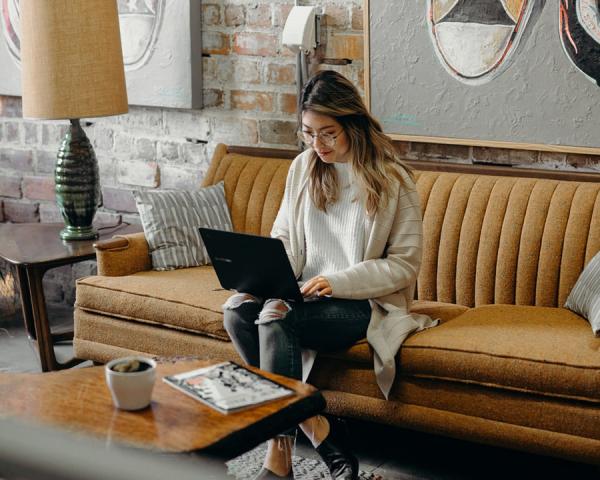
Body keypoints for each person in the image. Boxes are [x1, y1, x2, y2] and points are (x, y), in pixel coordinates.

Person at [222, 70, 437, 480]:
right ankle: (317, 426)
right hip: (303, 293)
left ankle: (278, 455)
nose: (317, 145)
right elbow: (283, 236)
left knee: (275, 317)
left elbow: (405, 264)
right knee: (237, 311)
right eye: (308, 133)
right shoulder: (304, 167)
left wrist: (338, 282)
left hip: (361, 304)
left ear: (352, 125)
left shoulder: (393, 179)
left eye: (328, 134)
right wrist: (264, 275)